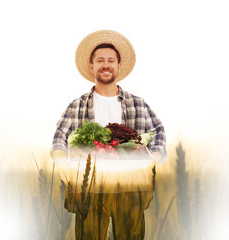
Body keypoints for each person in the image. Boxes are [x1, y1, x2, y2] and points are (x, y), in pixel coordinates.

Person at [51, 30, 167, 239]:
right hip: (90, 189)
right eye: (100, 60)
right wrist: (65, 167)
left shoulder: (137, 104)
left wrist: (151, 161)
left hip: (130, 187)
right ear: (91, 66)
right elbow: (59, 140)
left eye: (111, 60)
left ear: (119, 66)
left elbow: (158, 133)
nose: (106, 65)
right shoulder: (77, 106)